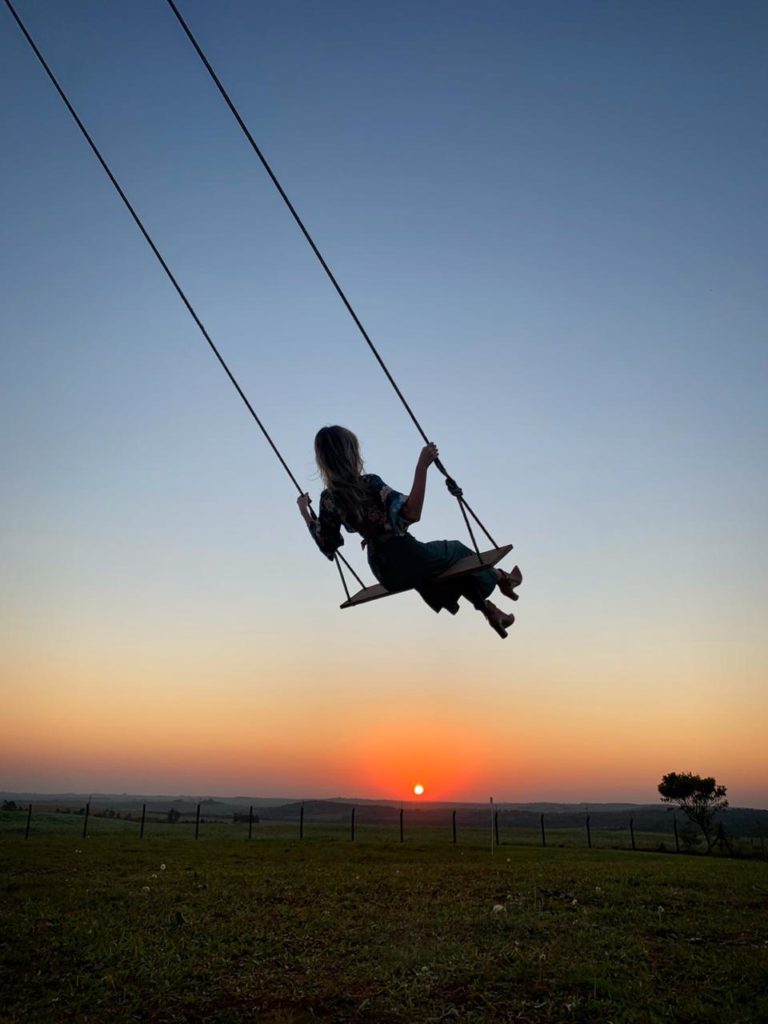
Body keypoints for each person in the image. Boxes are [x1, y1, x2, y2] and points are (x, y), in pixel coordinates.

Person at [297, 425, 522, 637]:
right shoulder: (369, 483)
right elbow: (411, 513)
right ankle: (502, 578)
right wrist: (422, 466)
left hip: (384, 571)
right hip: (407, 554)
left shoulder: (328, 499)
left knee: (446, 571)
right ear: (351, 454)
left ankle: (491, 611)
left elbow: (327, 543)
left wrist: (305, 513)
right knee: (456, 551)